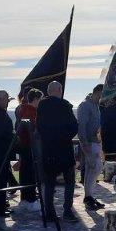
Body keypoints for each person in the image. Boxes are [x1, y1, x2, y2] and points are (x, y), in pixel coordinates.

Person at [36, 81, 80, 222]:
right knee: (69, 181)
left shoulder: (41, 106)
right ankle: (67, 211)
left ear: (49, 91)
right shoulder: (65, 106)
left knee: (49, 182)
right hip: (64, 149)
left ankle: (49, 213)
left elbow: (39, 127)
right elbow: (74, 126)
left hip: (48, 149)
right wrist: (64, 137)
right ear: (60, 90)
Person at [77, 84, 106, 211]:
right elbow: (81, 125)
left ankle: (89, 196)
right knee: (94, 168)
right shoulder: (85, 105)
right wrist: (84, 143)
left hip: (96, 142)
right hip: (89, 142)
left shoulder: (96, 105)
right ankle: (88, 197)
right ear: (98, 92)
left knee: (93, 169)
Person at [15, 88, 42, 207]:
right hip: (29, 145)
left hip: (24, 145)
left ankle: (27, 196)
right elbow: (31, 128)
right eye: (39, 100)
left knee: (25, 172)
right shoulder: (30, 111)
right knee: (29, 173)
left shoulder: (23, 108)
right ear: (35, 99)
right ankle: (29, 198)